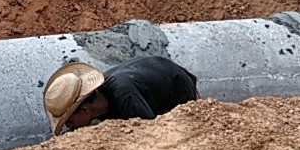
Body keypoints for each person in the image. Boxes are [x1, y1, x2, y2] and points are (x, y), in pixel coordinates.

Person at [43, 57, 199, 135]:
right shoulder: (102, 101)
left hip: (177, 88)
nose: (70, 128)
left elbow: (149, 135)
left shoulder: (126, 97)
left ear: (85, 110)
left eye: (70, 122)